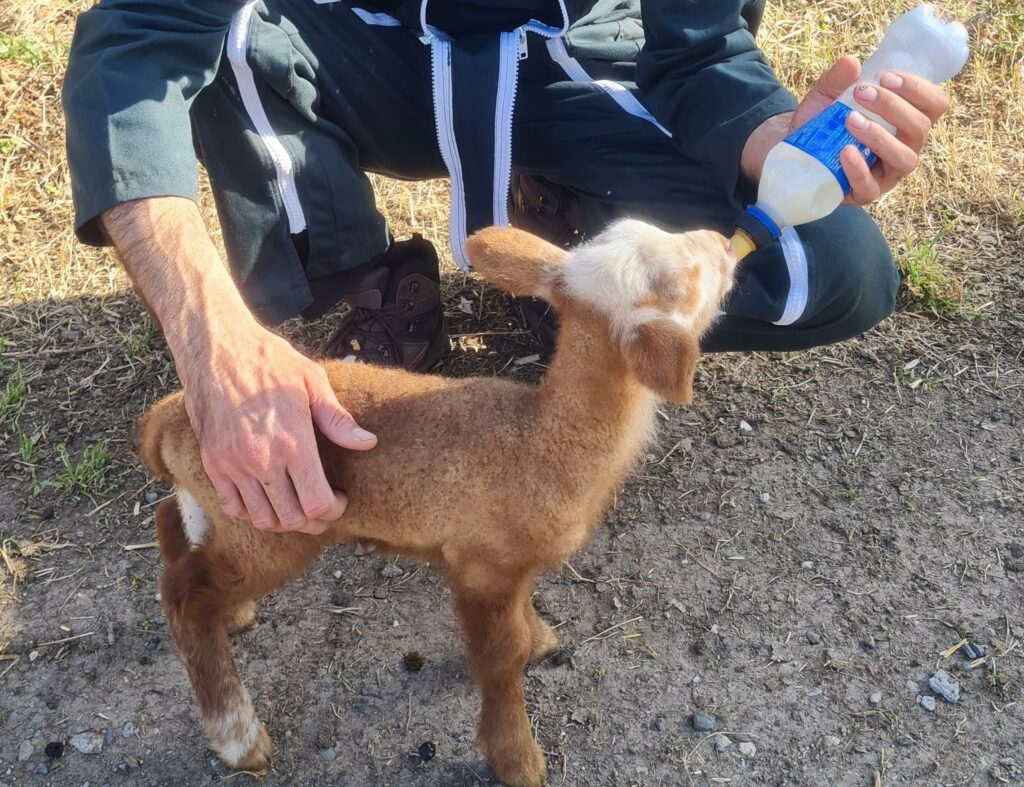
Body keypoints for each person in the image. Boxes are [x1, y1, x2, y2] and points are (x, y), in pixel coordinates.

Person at [62, 0, 951, 536]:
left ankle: (569, 269)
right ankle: (364, 284)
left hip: (588, 58)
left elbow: (698, 48)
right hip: (367, 43)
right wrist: (212, 339)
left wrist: (771, 144)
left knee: (832, 263)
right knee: (234, 32)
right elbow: (142, 34)